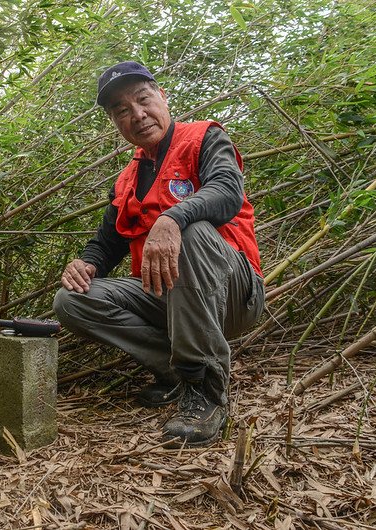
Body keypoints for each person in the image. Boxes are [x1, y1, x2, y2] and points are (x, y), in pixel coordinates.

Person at [53, 61, 265, 447]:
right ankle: (172, 371)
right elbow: (107, 242)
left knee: (193, 231)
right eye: (121, 110)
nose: (137, 114)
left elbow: (227, 192)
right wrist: (86, 263)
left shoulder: (204, 138)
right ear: (115, 123)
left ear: (162, 97)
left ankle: (206, 389)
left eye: (143, 99)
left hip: (232, 292)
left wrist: (173, 218)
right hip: (167, 299)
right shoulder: (127, 178)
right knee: (71, 300)